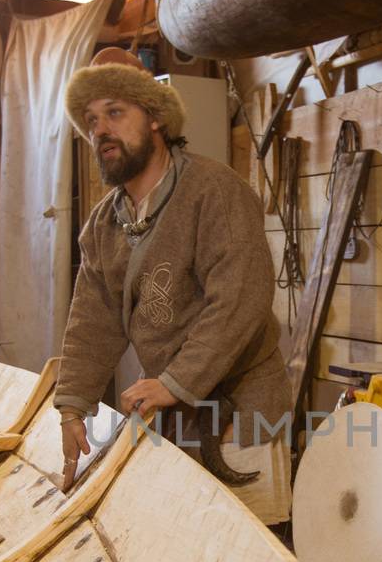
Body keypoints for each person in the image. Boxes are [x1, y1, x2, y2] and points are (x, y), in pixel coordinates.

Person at [54, 48, 293, 524]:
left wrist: (173, 382)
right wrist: (72, 404)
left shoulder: (214, 192)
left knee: (255, 559)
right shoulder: (105, 223)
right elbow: (92, 322)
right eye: (91, 119)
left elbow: (239, 302)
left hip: (240, 413)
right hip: (174, 415)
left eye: (115, 112)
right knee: (190, 552)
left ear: (157, 118)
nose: (100, 129)